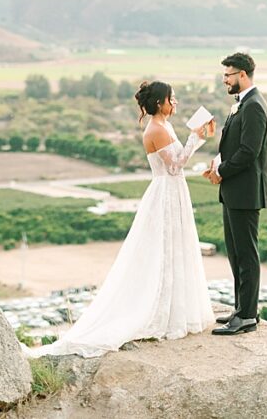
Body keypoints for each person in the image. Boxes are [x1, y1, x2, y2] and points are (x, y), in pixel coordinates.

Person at [27, 80, 215, 358]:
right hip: (166, 190)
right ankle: (163, 310)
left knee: (175, 247)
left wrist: (196, 138)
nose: (174, 102)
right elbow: (175, 166)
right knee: (165, 248)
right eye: (170, 99)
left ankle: (174, 306)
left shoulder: (163, 126)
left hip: (172, 190)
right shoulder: (157, 129)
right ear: (159, 103)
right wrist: (195, 138)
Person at [204, 52, 267, 336]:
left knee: (246, 255)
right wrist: (217, 163)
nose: (224, 81)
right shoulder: (242, 104)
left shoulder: (254, 106)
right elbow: (234, 146)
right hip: (234, 192)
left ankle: (247, 316)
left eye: (228, 75)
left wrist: (222, 171)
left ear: (242, 75)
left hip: (245, 193)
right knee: (235, 254)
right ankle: (240, 309)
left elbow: (248, 152)